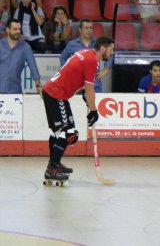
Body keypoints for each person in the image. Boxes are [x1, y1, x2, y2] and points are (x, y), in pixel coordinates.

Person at [42, 36, 114, 182]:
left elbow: (76, 76)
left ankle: (53, 166)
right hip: (57, 94)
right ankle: (53, 167)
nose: (112, 53)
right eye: (111, 50)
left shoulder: (86, 53)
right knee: (69, 133)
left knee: (57, 133)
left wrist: (85, 96)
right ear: (103, 48)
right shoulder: (93, 60)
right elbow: (89, 89)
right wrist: (94, 111)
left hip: (53, 92)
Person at [60, 18, 113, 93]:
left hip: (94, 84)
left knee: (95, 104)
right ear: (80, 30)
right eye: (86, 28)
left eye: (91, 28)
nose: (89, 30)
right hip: (77, 85)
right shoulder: (72, 44)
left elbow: (111, 55)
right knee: (77, 104)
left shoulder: (99, 43)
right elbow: (62, 58)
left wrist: (105, 70)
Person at [0, 18, 42, 94]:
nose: (18, 31)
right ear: (8, 30)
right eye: (15, 29)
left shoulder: (25, 47)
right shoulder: (0, 45)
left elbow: (33, 67)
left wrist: (38, 86)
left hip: (15, 91)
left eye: (19, 29)